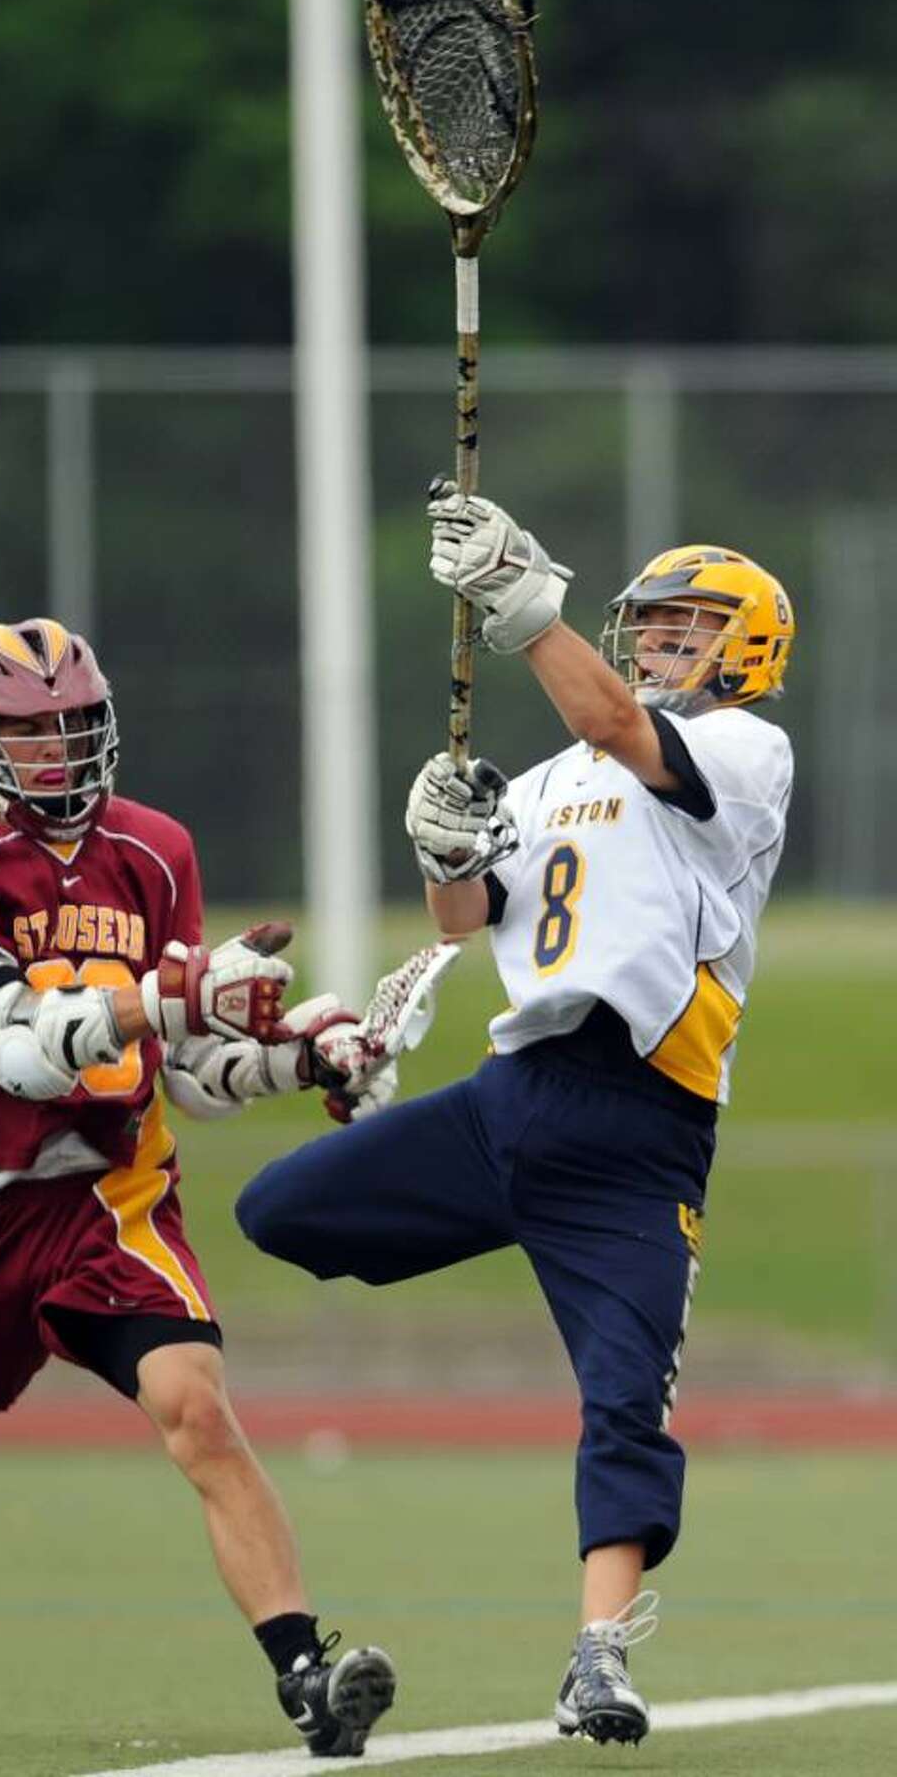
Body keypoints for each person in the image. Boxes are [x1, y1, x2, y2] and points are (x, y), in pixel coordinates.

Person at [236, 493, 796, 1746]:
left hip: (639, 1127)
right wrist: (439, 846)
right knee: (276, 1208)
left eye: (686, 628)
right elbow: (462, 920)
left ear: (748, 646)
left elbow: (612, 714)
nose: (658, 644)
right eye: (647, 625)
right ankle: (506, 1234)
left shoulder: (748, 752)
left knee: (625, 1403)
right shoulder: (553, 776)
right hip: (512, 1103)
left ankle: (598, 1654)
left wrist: (520, 595)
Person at [0, 615, 396, 1759]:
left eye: (74, 727)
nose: (58, 754)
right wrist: (175, 994)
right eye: (29, 736)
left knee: (199, 1413)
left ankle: (308, 1677)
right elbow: (24, 1049)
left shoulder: (156, 850)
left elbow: (194, 1076)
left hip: (115, 1196)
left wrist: (300, 1059)